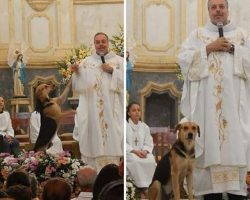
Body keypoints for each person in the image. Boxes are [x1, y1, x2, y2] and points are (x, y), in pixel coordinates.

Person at [178, 0, 250, 199]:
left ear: (227, 9)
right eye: (213, 7)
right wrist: (208, 48)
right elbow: (184, 60)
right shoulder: (197, 35)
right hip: (206, 107)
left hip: (236, 106)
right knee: (209, 143)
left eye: (221, 6)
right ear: (208, 10)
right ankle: (211, 193)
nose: (218, 10)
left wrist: (234, 49)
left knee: (237, 143)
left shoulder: (242, 35)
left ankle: (237, 192)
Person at [72, 32, 123, 171]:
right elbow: (79, 87)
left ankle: (112, 172)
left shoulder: (119, 61)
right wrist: (77, 72)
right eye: (97, 42)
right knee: (93, 140)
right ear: (94, 44)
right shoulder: (86, 62)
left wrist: (113, 71)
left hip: (112, 112)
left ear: (108, 43)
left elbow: (126, 84)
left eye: (103, 41)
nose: (101, 44)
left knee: (112, 140)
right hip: (93, 113)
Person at [126, 102, 156, 198]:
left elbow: (149, 142)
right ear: (129, 113)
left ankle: (149, 186)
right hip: (130, 153)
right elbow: (123, 143)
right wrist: (135, 151)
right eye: (134, 110)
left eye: (138, 110)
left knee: (151, 161)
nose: (137, 112)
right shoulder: (125, 126)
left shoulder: (144, 127)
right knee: (135, 161)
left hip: (143, 153)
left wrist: (145, 151)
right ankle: (142, 188)